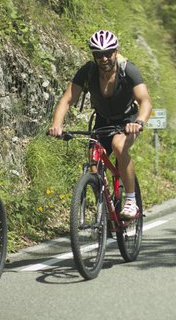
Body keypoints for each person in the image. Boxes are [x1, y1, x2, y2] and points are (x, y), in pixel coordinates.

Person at [48, 29, 152, 219]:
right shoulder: (88, 71)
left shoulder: (127, 69)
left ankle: (130, 200)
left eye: (107, 53)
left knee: (119, 146)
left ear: (115, 51)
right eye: (98, 54)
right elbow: (67, 100)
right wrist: (57, 124)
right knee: (93, 161)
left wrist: (138, 122)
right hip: (102, 120)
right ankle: (104, 207)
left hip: (127, 120)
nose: (103, 58)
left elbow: (145, 101)